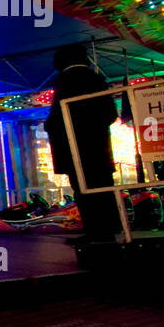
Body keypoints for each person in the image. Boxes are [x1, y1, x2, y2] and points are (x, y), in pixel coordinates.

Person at [44, 43, 120, 243]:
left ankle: (95, 232)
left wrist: (51, 126)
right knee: (103, 190)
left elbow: (57, 118)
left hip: (74, 149)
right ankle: (107, 231)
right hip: (99, 150)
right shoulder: (96, 78)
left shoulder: (65, 82)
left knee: (84, 192)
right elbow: (111, 114)